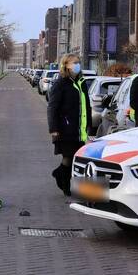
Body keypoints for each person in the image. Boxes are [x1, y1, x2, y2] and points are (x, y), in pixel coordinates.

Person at [47, 54, 90, 196]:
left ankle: (60, 175)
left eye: (79, 62)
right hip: (65, 128)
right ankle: (65, 183)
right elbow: (52, 107)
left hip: (79, 129)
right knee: (69, 156)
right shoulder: (60, 83)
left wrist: (88, 123)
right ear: (66, 65)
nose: (78, 65)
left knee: (76, 158)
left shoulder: (81, 82)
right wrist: (53, 129)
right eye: (74, 63)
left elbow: (86, 105)